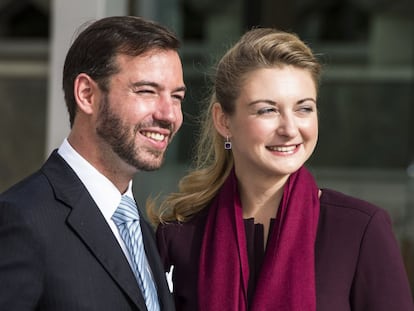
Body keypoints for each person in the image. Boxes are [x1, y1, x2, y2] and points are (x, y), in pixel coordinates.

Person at [148, 27, 414, 310]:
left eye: (304, 109)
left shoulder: (360, 230)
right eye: (267, 110)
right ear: (224, 121)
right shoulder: (180, 237)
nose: (289, 129)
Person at [0, 15, 186, 311]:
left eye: (177, 96)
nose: (169, 114)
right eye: (147, 91)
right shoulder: (22, 219)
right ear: (87, 94)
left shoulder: (143, 231)